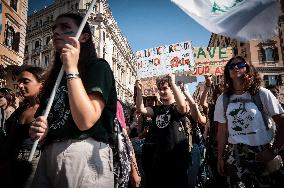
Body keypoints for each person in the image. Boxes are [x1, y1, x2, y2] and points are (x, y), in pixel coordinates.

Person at [29, 13, 117, 187]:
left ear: (84, 37)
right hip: (48, 155)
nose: (55, 32)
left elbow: (85, 121)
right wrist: (39, 130)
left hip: (82, 152)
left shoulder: (98, 67)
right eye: (54, 28)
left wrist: (71, 68)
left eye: (65, 27)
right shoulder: (53, 78)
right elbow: (46, 121)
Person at [214, 56, 284, 187]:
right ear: (228, 72)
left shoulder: (262, 93)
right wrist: (220, 157)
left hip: (263, 154)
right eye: (231, 66)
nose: (235, 67)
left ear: (248, 69)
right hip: (236, 157)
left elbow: (282, 123)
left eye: (240, 65)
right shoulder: (223, 99)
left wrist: (273, 152)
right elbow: (222, 131)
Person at [136, 74, 188, 188]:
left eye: (165, 88)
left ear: (171, 89)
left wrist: (173, 83)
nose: (162, 92)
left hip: (177, 158)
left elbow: (183, 106)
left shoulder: (175, 107)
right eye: (160, 89)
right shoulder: (157, 109)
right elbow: (141, 109)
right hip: (160, 158)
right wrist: (139, 91)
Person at [1, 66, 46, 187]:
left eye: (25, 81)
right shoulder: (20, 110)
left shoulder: (48, 110)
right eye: (19, 82)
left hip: (36, 161)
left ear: (41, 84)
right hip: (13, 160)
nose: (20, 86)